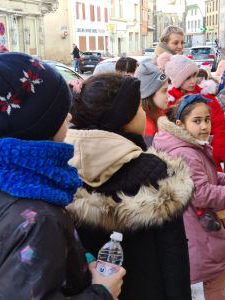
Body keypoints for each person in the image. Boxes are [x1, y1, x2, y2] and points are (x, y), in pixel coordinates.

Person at [0, 29, 125, 299]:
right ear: (39, 126)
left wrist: (74, 264)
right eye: (62, 112)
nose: (70, 115)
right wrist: (101, 292)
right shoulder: (38, 217)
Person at [64, 73, 193, 300]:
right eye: (138, 108)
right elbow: (174, 259)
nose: (143, 113)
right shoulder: (155, 173)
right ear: (124, 118)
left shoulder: (61, 169)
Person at [152, 94, 225, 300]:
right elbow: (201, 193)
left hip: (195, 224)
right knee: (215, 283)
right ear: (181, 124)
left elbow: (203, 176)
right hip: (200, 229)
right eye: (197, 121)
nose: (205, 126)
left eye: (207, 119)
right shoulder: (187, 151)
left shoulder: (188, 146)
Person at [163, 54, 225, 171]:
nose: (193, 81)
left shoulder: (207, 98)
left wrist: (216, 155)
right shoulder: (169, 102)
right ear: (177, 80)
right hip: (180, 160)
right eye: (187, 78)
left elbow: (219, 126)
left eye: (194, 76)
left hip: (207, 157)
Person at [135, 62, 169, 146]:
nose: (168, 95)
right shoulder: (147, 128)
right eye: (164, 91)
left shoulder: (159, 113)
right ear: (149, 94)